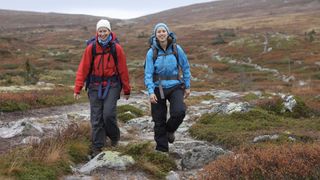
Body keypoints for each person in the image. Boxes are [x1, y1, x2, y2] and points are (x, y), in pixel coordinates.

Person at [74, 19, 131, 157]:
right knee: (96, 117)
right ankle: (97, 147)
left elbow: (123, 69)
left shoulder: (116, 48)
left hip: (112, 85)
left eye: (105, 30)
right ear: (97, 32)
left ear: (109, 31)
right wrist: (78, 88)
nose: (102, 33)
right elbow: (83, 68)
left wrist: (126, 89)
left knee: (109, 115)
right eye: (100, 31)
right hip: (94, 86)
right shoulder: (91, 48)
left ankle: (114, 137)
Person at [144, 23, 191, 152]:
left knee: (179, 112)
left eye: (163, 31)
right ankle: (162, 151)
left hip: (175, 86)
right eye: (158, 31)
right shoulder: (151, 52)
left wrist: (187, 86)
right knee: (159, 121)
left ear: (167, 33)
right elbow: (148, 74)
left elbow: (185, 67)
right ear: (155, 35)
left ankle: (170, 130)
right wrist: (150, 92)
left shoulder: (176, 49)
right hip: (157, 88)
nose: (161, 33)